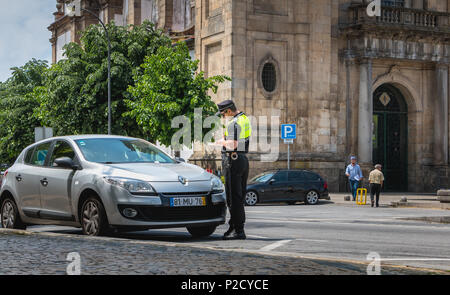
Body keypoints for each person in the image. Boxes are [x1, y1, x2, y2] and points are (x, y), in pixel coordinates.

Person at [216, 100, 251, 240]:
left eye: (223, 114)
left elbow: (233, 145)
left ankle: (238, 230)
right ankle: (235, 226)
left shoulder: (233, 124)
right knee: (238, 196)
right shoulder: (244, 119)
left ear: (229, 111)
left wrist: (221, 142)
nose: (223, 117)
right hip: (242, 160)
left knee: (232, 198)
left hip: (233, 161)